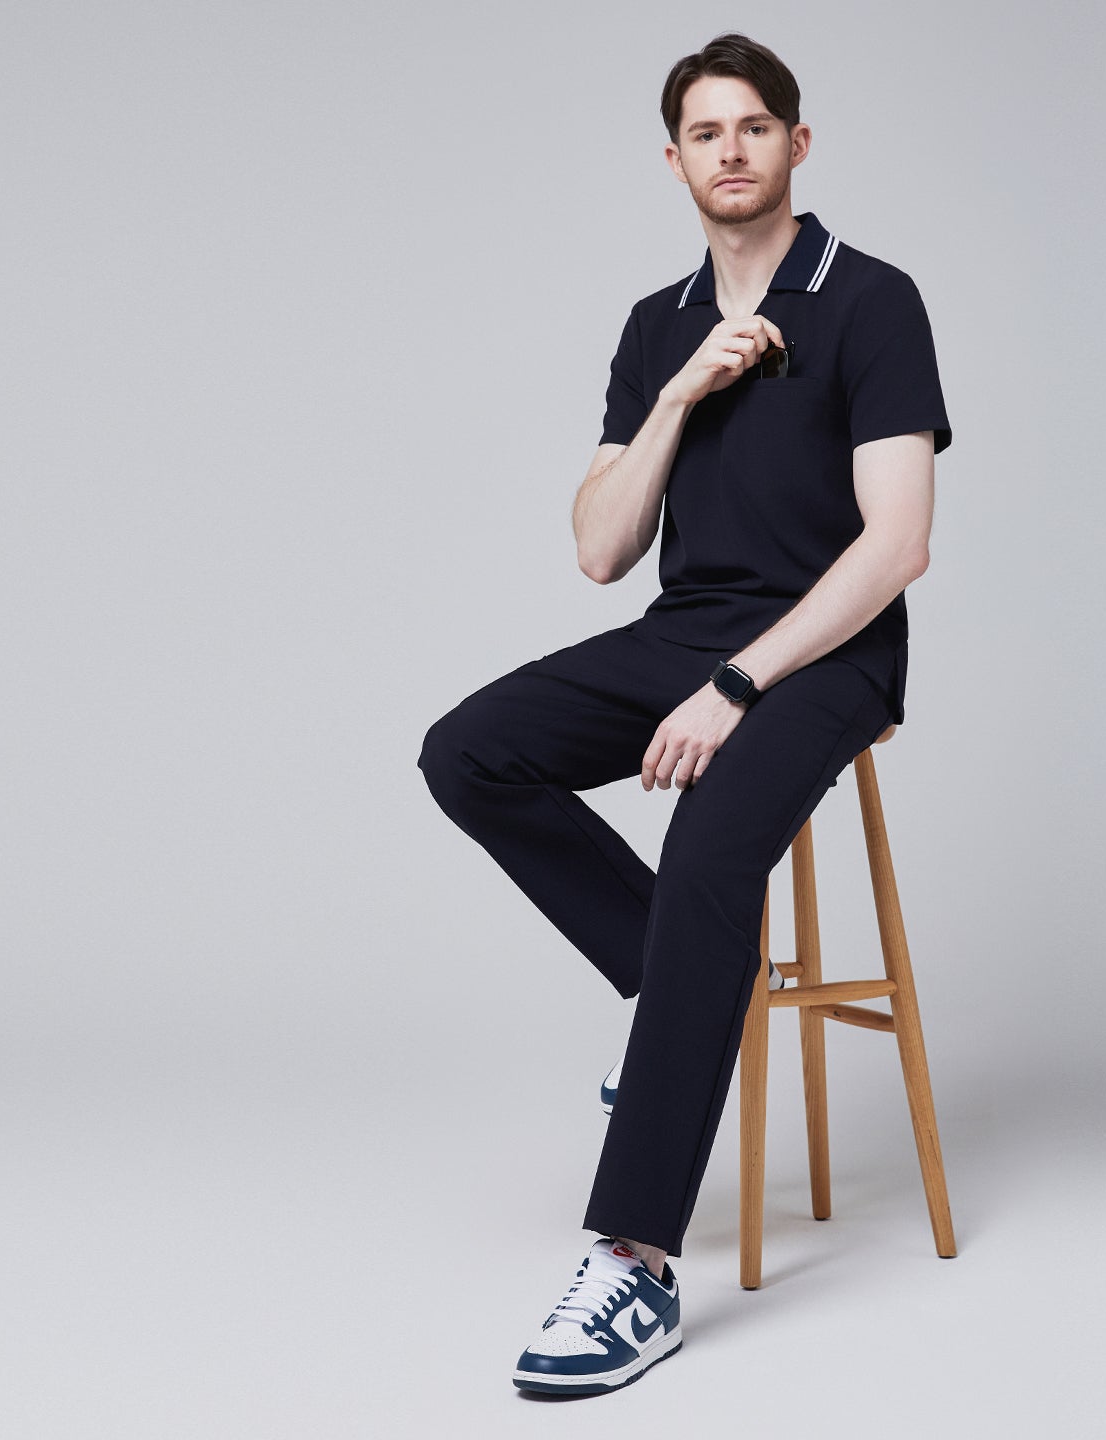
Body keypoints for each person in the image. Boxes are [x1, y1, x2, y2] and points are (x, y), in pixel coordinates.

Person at [416, 31, 952, 1396]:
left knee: (714, 844)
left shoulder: (873, 300)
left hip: (828, 651)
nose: (731, 151)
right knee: (468, 750)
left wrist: (738, 684)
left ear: (797, 146)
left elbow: (894, 548)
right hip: (684, 630)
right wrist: (676, 393)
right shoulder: (659, 324)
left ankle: (636, 1266)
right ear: (674, 161)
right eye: (705, 133)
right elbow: (601, 550)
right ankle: (680, 994)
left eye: (755, 128)